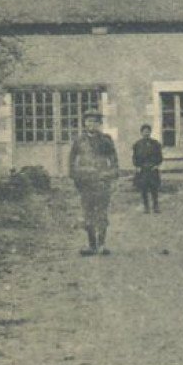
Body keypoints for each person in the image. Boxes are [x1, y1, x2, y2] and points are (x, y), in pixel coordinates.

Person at [68, 109, 119, 256]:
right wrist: (75, 176)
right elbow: (72, 160)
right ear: (84, 123)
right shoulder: (79, 141)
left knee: (102, 214)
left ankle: (102, 245)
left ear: (100, 124)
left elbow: (114, 159)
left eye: (95, 121)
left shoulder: (106, 140)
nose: (92, 124)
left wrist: (112, 175)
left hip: (102, 181)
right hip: (85, 182)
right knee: (88, 213)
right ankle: (92, 245)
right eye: (89, 121)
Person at [131, 123, 164, 214]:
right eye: (144, 132)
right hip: (143, 170)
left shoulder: (155, 144)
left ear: (150, 132)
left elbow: (160, 157)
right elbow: (134, 157)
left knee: (154, 189)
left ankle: (156, 206)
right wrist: (137, 166)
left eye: (148, 131)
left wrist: (157, 165)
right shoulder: (137, 145)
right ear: (141, 133)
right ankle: (146, 207)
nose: (146, 133)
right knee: (144, 189)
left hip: (152, 169)